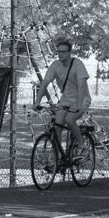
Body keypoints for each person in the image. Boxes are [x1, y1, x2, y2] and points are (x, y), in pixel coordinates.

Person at [36, 38, 93, 168]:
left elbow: (81, 86)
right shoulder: (55, 65)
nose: (60, 54)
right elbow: (44, 84)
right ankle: (57, 156)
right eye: (58, 52)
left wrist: (78, 105)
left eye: (63, 52)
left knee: (70, 119)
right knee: (57, 124)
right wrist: (36, 102)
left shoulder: (77, 64)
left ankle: (81, 145)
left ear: (69, 53)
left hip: (82, 98)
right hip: (66, 99)